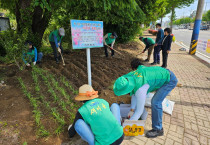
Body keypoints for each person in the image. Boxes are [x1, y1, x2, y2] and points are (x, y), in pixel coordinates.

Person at [113, 58, 178, 138]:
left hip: (169, 80)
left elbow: (139, 111)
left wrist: (127, 126)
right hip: (161, 74)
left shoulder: (140, 89)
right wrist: (132, 109)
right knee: (150, 98)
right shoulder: (132, 75)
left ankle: (158, 129)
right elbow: (134, 95)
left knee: (155, 102)